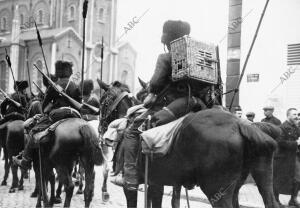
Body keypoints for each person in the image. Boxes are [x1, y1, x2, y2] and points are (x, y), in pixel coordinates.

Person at [114, 20, 219, 190]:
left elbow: (155, 84)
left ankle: (130, 176)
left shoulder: (166, 57)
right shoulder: (199, 58)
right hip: (199, 104)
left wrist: (152, 90)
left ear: (167, 40)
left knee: (132, 131)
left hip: (174, 104)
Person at [13, 60, 81, 170]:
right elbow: (80, 105)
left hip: (58, 114)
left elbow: (44, 107)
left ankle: (25, 160)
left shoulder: (55, 85)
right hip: (74, 114)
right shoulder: (75, 86)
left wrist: (50, 106)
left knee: (33, 131)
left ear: (59, 72)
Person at [273, 108, 300, 207]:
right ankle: (275, 201)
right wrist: (296, 143)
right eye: (294, 114)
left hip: (294, 157)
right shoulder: (282, 127)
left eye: (297, 114)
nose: (297, 116)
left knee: (297, 179)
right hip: (282, 158)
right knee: (278, 180)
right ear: (288, 115)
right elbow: (280, 142)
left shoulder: (296, 127)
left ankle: (293, 199)